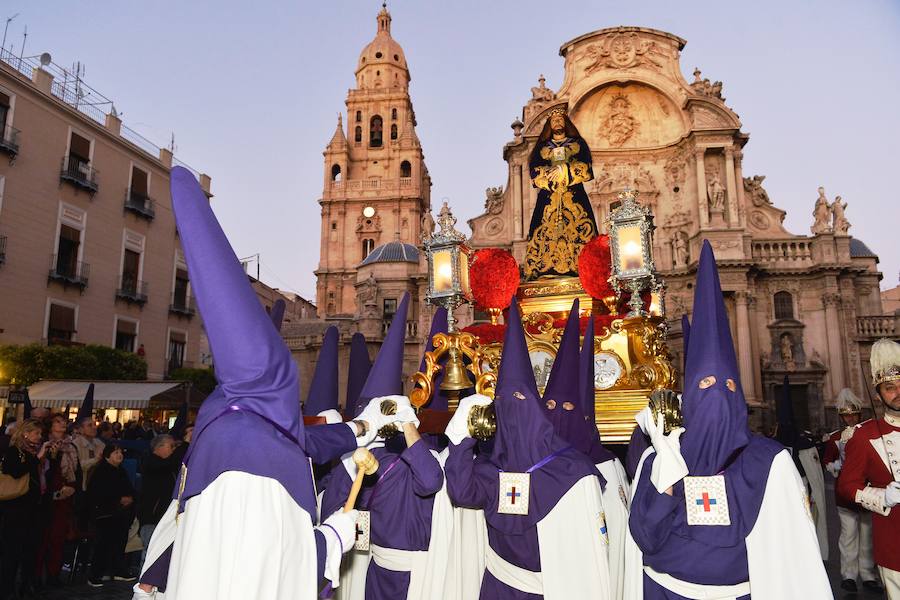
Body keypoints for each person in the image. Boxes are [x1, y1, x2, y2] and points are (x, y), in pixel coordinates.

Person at [134, 168, 398, 600]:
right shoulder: (257, 457)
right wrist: (335, 534)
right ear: (273, 385)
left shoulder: (227, 421)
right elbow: (277, 564)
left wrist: (360, 429)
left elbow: (303, 445)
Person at [626, 241, 832, 599]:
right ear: (689, 394)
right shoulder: (658, 458)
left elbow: (791, 552)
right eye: (705, 384)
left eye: (728, 385)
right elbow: (645, 537)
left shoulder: (770, 462)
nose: (717, 393)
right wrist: (667, 476)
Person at [444, 298, 613, 599]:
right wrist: (460, 439)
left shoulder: (573, 471)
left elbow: (589, 552)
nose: (512, 411)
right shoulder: (489, 468)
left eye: (521, 401)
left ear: (535, 410)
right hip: (498, 585)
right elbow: (460, 492)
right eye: (504, 403)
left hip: (551, 590)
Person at [321, 296, 449, 600]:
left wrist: (407, 424)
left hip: (414, 573)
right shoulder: (352, 462)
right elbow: (330, 512)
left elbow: (431, 480)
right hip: (376, 567)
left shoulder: (414, 456)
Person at [540, 302, 630, 599]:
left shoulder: (607, 467)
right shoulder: (532, 464)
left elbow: (616, 540)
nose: (558, 416)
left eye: (568, 409)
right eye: (550, 407)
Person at [838, 338, 900, 598]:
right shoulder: (865, 435)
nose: (898, 392)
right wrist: (881, 496)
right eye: (889, 388)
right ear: (878, 394)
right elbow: (845, 487)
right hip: (896, 545)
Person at [523, 106, 598, 279]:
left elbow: (586, 168)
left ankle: (582, 267)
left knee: (580, 227)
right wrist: (549, 174)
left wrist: (564, 170)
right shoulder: (542, 148)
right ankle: (545, 269)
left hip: (574, 195)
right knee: (543, 230)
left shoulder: (578, 144)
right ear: (549, 125)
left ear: (566, 123)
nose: (557, 122)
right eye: (554, 120)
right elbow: (534, 172)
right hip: (549, 198)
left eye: (560, 119)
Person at [823, 388, 880, 593]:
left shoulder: (869, 433)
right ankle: (848, 575)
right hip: (845, 492)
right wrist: (837, 466)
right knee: (848, 534)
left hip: (867, 489)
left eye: (853, 414)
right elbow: (828, 460)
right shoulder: (834, 437)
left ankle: (868, 574)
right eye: (846, 415)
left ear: (859, 414)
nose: (849, 418)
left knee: (867, 534)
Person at [773, 375, 828, 559]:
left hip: (804, 490)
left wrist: (812, 493)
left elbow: (814, 477)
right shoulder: (772, 446)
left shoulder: (806, 445)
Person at [0, 419, 48, 600]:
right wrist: (36, 458)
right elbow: (15, 472)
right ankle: (7, 589)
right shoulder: (14, 451)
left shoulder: (33, 453)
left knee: (31, 550)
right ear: (25, 433)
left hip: (33, 510)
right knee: (12, 552)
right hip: (16, 510)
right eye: (36, 433)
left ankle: (26, 585)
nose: (39, 436)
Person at [34, 414, 79, 585]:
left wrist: (72, 488)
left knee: (58, 537)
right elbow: (43, 471)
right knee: (43, 537)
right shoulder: (44, 443)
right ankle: (37, 576)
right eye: (58, 422)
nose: (63, 425)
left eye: (64, 422)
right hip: (49, 494)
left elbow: (77, 470)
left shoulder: (71, 445)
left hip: (67, 493)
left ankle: (54, 574)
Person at [87, 443, 136, 587]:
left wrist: (130, 498)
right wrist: (118, 499)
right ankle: (95, 574)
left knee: (119, 543)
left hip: (120, 513)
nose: (119, 455)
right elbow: (98, 493)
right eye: (115, 452)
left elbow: (129, 488)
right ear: (107, 455)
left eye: (121, 452)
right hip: (105, 514)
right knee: (103, 545)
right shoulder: (101, 471)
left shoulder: (121, 471)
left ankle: (117, 570)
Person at [137, 433, 189, 566]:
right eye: (171, 446)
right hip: (153, 515)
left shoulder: (167, 465)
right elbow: (172, 461)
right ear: (158, 447)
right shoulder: (151, 461)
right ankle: (145, 581)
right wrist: (184, 444)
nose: (173, 449)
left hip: (165, 514)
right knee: (151, 548)